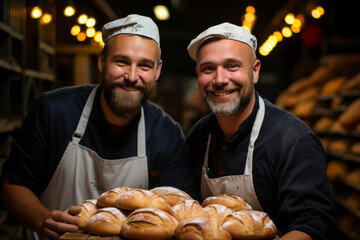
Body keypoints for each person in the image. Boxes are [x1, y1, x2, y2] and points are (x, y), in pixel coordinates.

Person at [0, 14, 198, 240]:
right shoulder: (54, 112)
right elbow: (12, 186)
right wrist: (42, 219)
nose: (132, 76)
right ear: (102, 61)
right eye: (122, 62)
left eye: (144, 65)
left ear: (157, 71)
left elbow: (179, 211)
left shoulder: (167, 135)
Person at [186, 22, 337, 240]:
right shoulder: (198, 137)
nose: (220, 80)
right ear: (198, 74)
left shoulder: (292, 140)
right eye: (209, 69)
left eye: (232, 66)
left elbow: (313, 223)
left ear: (255, 71)